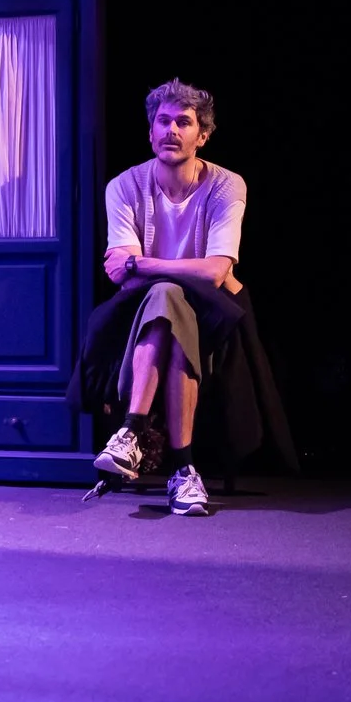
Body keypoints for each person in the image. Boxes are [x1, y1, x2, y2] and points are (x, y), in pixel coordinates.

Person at [81, 80, 249, 518]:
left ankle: (130, 432)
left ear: (202, 135)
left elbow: (214, 273)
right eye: (163, 121)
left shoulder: (227, 186)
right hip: (143, 310)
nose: (172, 129)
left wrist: (142, 264)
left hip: (213, 314)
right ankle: (183, 469)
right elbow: (125, 275)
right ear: (150, 132)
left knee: (168, 294)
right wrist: (151, 271)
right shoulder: (124, 186)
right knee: (166, 297)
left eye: (184, 122)